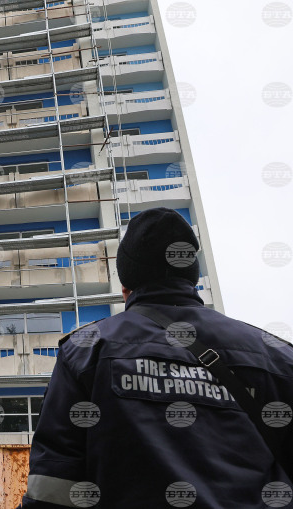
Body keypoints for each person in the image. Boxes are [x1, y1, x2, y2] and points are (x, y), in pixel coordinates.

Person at [18, 207, 293, 508]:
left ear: (126, 288)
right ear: (192, 277)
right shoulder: (277, 356)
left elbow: (54, 488)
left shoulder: (86, 349)